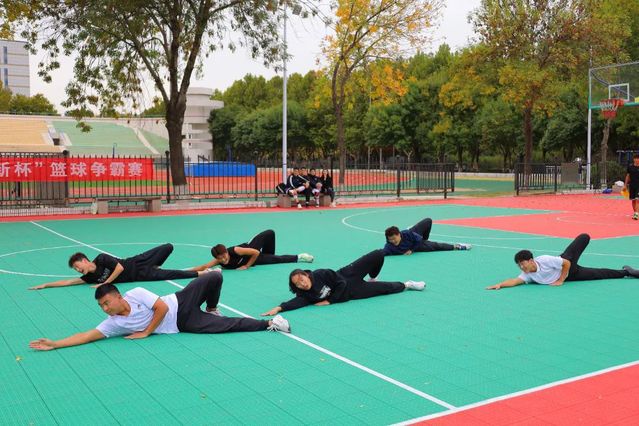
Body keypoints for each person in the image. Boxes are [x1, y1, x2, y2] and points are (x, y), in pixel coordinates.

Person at [28, 272, 291, 351]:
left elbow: (162, 307)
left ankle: (212, 308)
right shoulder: (114, 323)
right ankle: (269, 324)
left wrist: (146, 332)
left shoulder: (135, 293)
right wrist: (56, 343)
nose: (105, 309)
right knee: (228, 326)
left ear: (118, 297)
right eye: (101, 306)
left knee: (214, 276)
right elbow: (87, 336)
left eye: (107, 303)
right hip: (183, 322)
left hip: (179, 300)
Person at [261, 249, 425, 315]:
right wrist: (279, 308)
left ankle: (373, 277)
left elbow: (341, 283)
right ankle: (408, 284)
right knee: (385, 288)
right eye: (297, 284)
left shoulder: (321, 274)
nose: (302, 284)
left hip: (348, 274)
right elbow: (296, 302)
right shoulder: (306, 295)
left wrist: (330, 301)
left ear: (306, 275)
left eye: (301, 279)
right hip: (354, 292)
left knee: (378, 254)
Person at [486, 233, 639, 290]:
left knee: (583, 238)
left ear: (531, 260)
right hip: (572, 275)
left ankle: (583, 237)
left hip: (566, 265)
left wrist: (560, 280)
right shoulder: (528, 275)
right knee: (598, 274)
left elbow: (566, 263)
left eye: (523, 263)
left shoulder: (545, 260)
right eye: (519, 265)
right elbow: (514, 281)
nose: (521, 266)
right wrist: (500, 284)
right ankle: (627, 272)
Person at [29, 243, 206, 290]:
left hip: (137, 262)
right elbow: (68, 282)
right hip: (139, 275)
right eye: (75, 269)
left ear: (84, 260)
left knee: (167, 247)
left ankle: (157, 265)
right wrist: (46, 285)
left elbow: (119, 268)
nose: (78, 270)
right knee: (172, 274)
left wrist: (105, 283)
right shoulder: (88, 277)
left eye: (77, 266)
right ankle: (201, 274)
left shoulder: (101, 258)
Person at [192, 229, 314, 271]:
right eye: (220, 259)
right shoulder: (218, 260)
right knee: (276, 259)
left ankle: (300, 256)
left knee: (270, 232)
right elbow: (204, 266)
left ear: (226, 252)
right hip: (255, 259)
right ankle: (299, 257)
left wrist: (247, 266)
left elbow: (255, 252)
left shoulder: (235, 250)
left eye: (224, 256)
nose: (223, 260)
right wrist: (187, 272)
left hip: (252, 249)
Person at [383, 218, 471, 256]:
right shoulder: (389, 246)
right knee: (437, 246)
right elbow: (382, 252)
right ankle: (457, 246)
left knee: (428, 221)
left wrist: (411, 250)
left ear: (399, 234)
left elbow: (418, 240)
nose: (393, 241)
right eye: (390, 240)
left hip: (416, 241)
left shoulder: (407, 233)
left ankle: (425, 240)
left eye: (394, 238)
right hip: (418, 245)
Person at [623, 153, 639, 220]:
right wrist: (625, 185)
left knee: (637, 199)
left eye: (638, 158)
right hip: (632, 186)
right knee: (633, 200)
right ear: (633, 159)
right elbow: (627, 176)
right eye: (635, 158)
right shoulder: (630, 167)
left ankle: (637, 214)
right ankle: (635, 212)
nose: (637, 160)